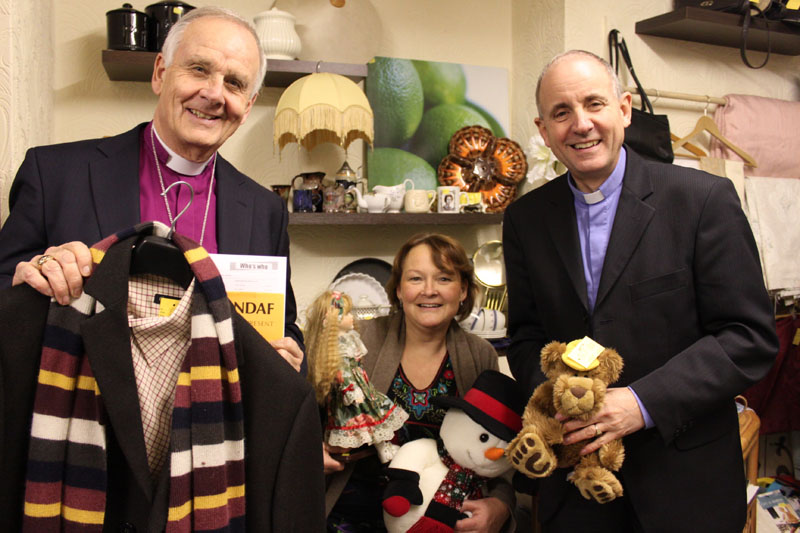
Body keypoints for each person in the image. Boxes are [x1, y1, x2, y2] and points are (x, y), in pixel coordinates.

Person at [502, 49, 779, 532]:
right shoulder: (525, 219)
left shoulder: (701, 201)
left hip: (687, 488)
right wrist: (556, 402)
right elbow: (525, 335)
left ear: (624, 109)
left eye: (594, 104)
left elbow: (748, 337)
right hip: (577, 491)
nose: (581, 124)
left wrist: (642, 403)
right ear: (544, 131)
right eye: (561, 113)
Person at [0, 6, 304, 373]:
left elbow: (283, 329)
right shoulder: (55, 174)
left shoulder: (265, 209)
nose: (214, 94)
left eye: (235, 83)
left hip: (214, 422)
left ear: (248, 105)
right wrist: (35, 275)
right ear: (161, 73)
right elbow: (6, 293)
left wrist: (290, 361)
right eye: (199, 69)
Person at [323, 233, 516, 532]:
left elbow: (500, 449)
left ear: (463, 290)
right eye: (415, 279)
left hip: (441, 515)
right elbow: (314, 413)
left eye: (443, 279)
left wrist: (501, 504)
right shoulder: (361, 340)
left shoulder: (480, 356)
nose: (429, 291)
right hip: (356, 512)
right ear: (398, 289)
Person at [305, 290, 408, 463]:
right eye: (346, 314)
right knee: (363, 420)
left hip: (361, 386)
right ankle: (366, 449)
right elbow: (342, 371)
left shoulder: (348, 339)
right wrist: (350, 390)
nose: (352, 317)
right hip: (351, 391)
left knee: (371, 418)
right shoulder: (337, 346)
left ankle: (382, 447)